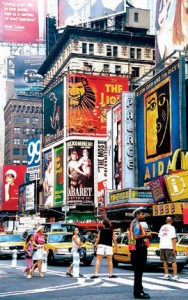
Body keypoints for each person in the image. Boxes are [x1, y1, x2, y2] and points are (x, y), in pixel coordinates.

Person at [130, 207, 151, 299]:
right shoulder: (136, 224)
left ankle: (139, 290)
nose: (143, 215)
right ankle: (138, 292)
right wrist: (146, 235)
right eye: (142, 214)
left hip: (137, 250)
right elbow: (135, 236)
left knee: (138, 272)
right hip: (138, 250)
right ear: (137, 214)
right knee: (138, 272)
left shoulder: (136, 223)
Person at [158, 216, 179, 281]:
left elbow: (160, 236)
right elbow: (173, 238)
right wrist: (174, 248)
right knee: (173, 260)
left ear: (166, 221)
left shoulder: (162, 227)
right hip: (169, 246)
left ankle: (166, 274)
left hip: (162, 246)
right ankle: (175, 275)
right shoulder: (172, 228)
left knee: (165, 261)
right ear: (171, 221)